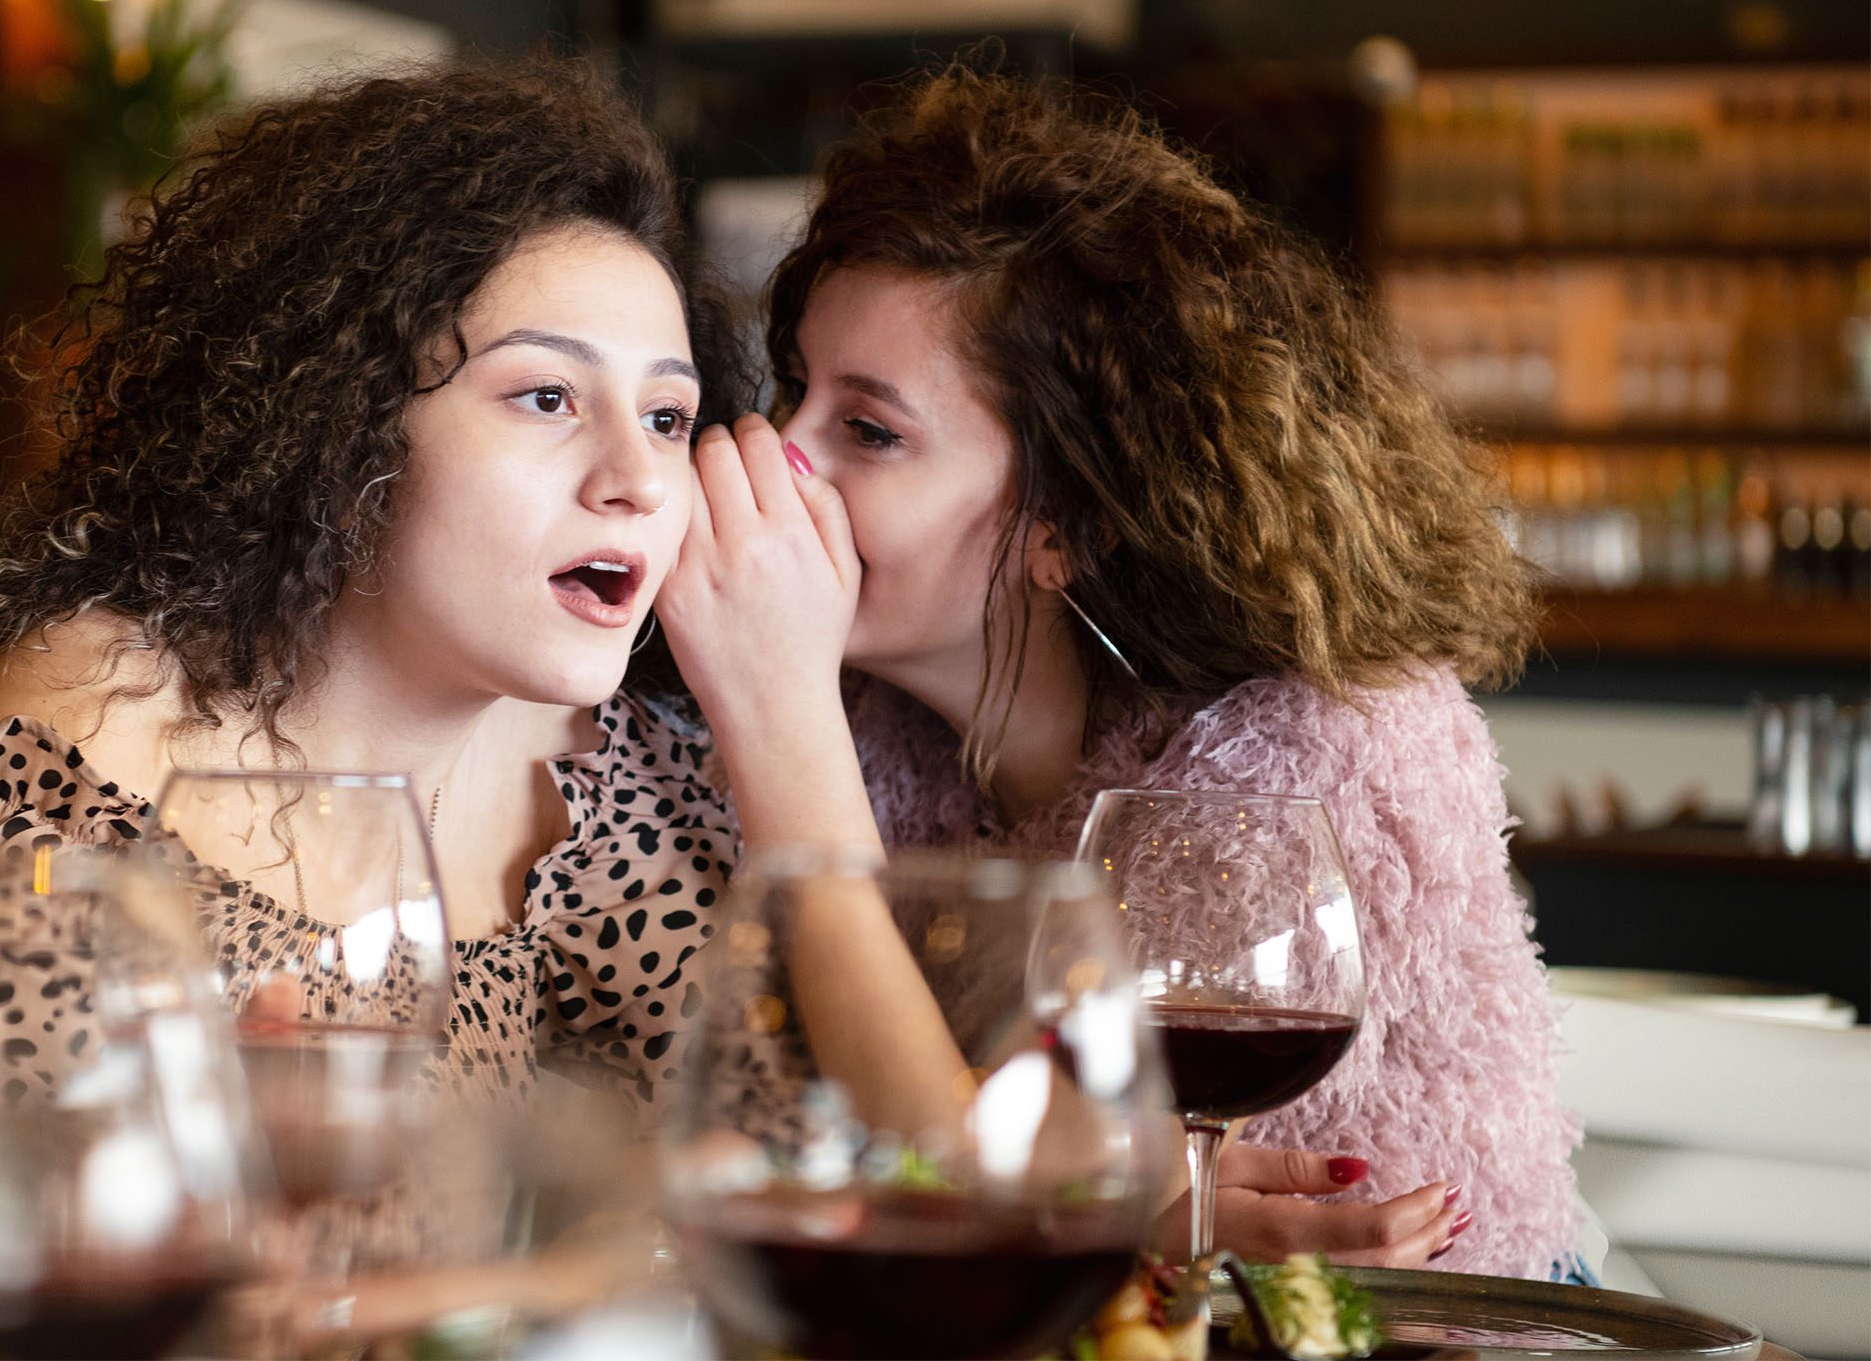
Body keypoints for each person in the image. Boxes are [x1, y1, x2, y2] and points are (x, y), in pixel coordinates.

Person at [0, 57, 745, 1359]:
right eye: (544, 396)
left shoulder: (593, 778)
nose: (639, 478)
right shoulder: (78, 733)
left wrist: (792, 711)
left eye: (668, 414)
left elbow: (805, 1184)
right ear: (341, 419)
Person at [659, 66, 1585, 1280]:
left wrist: (780, 731)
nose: (776, 460)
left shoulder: (1310, 751)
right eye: (796, 393)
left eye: (869, 429)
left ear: (1067, 525)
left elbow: (976, 1184)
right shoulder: (878, 723)